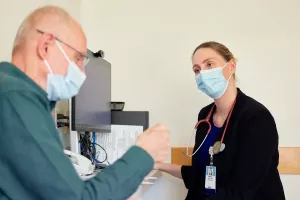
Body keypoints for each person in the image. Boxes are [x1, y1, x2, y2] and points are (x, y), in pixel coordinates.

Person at [0, 6, 170, 200]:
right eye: (78, 59)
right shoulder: (16, 99)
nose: (82, 73)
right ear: (45, 46)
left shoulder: (13, 94)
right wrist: (144, 153)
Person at [155, 41, 286, 200]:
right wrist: (158, 165)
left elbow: (241, 191)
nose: (202, 73)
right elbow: (200, 175)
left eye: (209, 64)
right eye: (197, 70)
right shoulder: (205, 116)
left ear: (231, 67)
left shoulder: (257, 118)